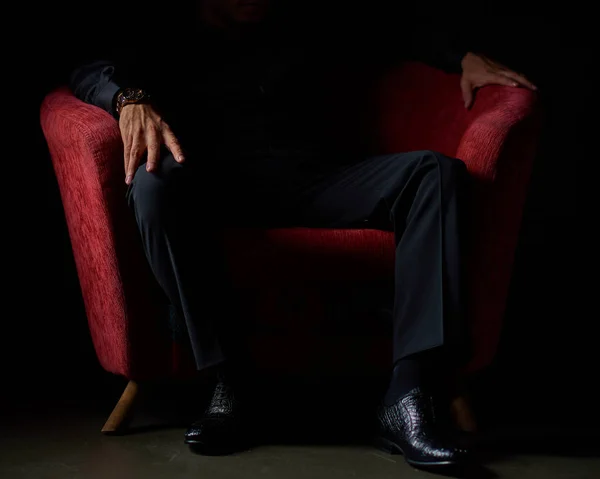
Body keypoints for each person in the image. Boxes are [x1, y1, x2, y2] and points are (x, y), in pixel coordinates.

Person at [70, 0, 536, 468]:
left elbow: (391, 25)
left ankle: (407, 396)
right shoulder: (162, 25)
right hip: (214, 187)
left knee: (435, 174)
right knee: (152, 185)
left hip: (313, 179)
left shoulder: (304, 14)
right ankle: (226, 379)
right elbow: (87, 67)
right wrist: (127, 99)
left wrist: (460, 58)